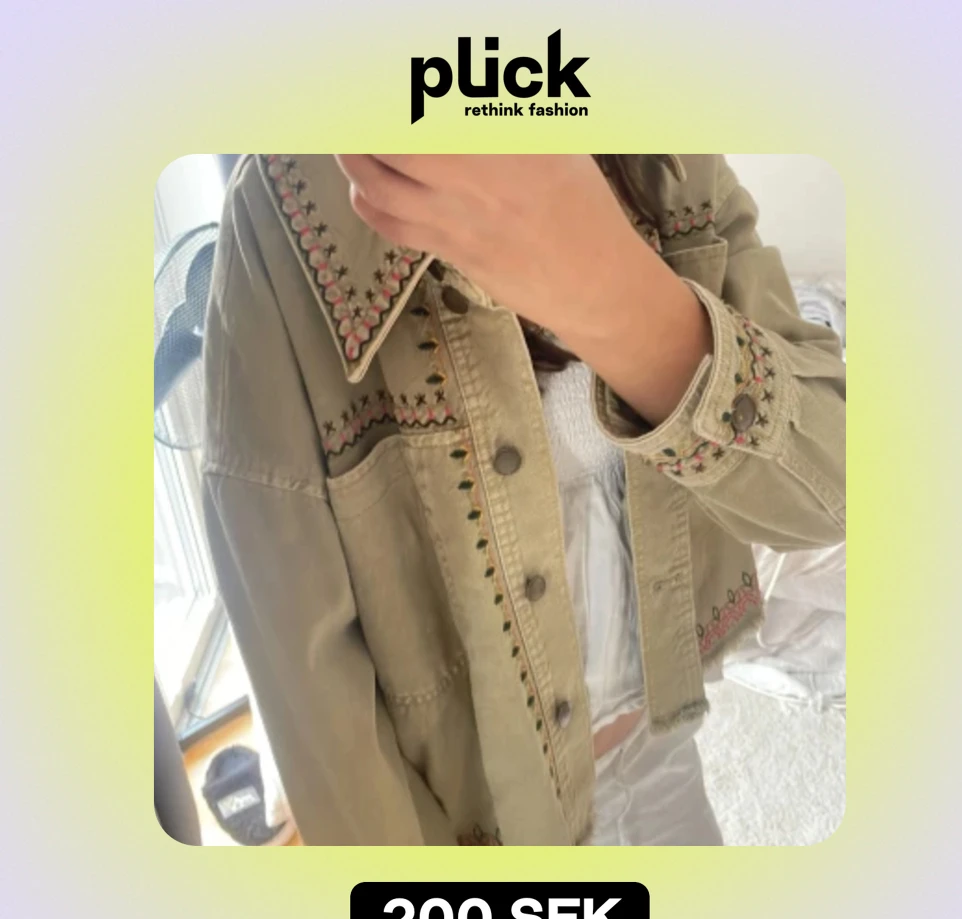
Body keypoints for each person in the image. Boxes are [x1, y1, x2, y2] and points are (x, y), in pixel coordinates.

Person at [200, 154, 846, 846]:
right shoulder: (281, 223)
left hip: (659, 746)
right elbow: (327, 725)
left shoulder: (663, 159)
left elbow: (829, 488)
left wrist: (612, 290)